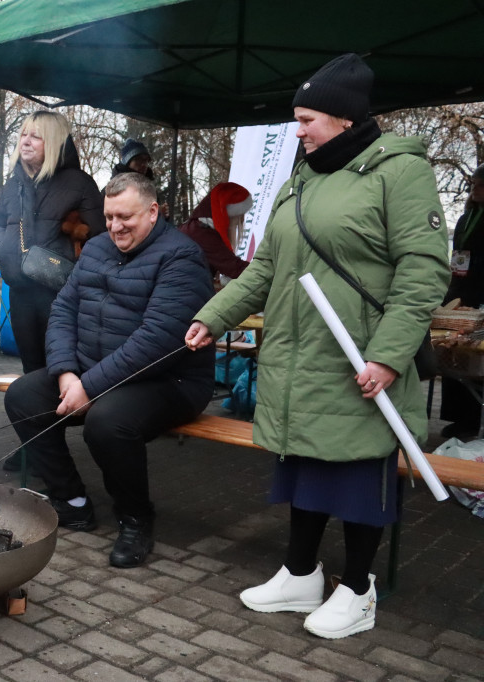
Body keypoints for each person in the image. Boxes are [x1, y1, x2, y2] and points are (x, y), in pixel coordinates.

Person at [185, 53, 449, 639]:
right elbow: (266, 269)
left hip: (360, 359)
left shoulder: (401, 172)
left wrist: (388, 354)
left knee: (356, 475)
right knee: (304, 465)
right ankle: (301, 573)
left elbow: (423, 272)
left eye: (307, 120)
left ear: (345, 118)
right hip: (297, 356)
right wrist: (214, 316)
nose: (297, 130)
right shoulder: (301, 177)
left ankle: (358, 590)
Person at [5, 172, 214, 567]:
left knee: (107, 421)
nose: (115, 227)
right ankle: (72, 501)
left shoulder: (181, 257)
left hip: (170, 379)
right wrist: (66, 373)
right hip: (93, 370)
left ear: (152, 212)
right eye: (109, 217)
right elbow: (63, 310)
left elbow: (157, 341)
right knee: (24, 396)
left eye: (125, 217)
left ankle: (136, 518)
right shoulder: (97, 248)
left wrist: (89, 387)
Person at [0, 110, 105, 375]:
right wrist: (2, 246)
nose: (25, 141)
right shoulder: (13, 185)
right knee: (31, 371)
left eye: (36, 136)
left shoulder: (79, 183)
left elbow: (100, 239)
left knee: (61, 370)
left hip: (60, 295)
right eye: (23, 134)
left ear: (54, 142)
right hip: (20, 292)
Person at [440, 164, 484, 439]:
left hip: (480, 292)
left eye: (481, 185)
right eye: (473, 185)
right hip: (459, 290)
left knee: (474, 359)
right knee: (452, 351)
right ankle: (458, 417)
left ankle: (471, 419)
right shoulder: (466, 217)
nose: (475, 189)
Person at [178, 182, 253, 282]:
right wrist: (265, 269)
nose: (242, 221)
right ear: (227, 215)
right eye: (239, 217)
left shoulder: (195, 227)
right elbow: (236, 268)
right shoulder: (202, 233)